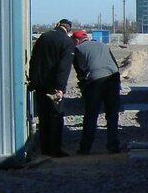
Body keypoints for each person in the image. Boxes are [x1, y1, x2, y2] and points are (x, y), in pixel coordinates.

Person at [27, 19, 75, 157]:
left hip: (39, 84)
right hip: (54, 86)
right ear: (68, 29)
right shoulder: (66, 42)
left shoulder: (43, 37)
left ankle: (45, 149)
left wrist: (33, 80)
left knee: (43, 118)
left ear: (58, 25)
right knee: (56, 116)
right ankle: (55, 149)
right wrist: (60, 88)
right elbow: (63, 67)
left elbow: (34, 60)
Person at [72, 30, 123, 155]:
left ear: (76, 40)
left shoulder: (78, 49)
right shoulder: (103, 45)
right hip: (113, 77)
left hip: (96, 81)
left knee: (91, 114)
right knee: (112, 113)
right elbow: (114, 63)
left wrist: (84, 88)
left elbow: (80, 72)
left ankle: (85, 148)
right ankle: (113, 145)